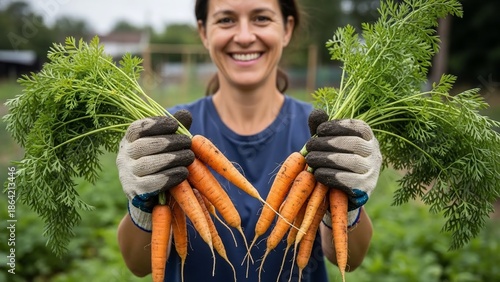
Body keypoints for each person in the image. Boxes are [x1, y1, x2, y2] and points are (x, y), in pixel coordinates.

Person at [116, 0, 382, 281]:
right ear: (204, 32)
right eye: (226, 20)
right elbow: (139, 265)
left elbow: (350, 261)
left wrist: (350, 206)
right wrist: (141, 207)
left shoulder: (323, 134)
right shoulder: (169, 135)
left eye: (261, 18)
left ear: (287, 29)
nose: (244, 37)